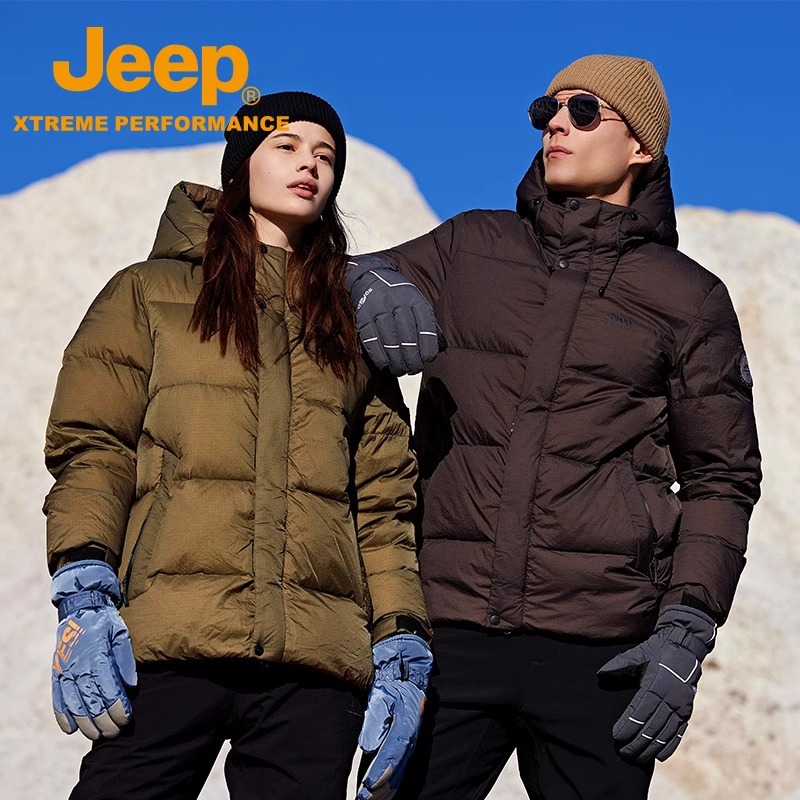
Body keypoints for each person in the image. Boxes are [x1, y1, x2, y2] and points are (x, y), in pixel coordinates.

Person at [346, 55, 761, 799]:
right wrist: (363, 280)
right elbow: (332, 279)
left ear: (642, 148)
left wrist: (687, 629)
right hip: (449, 631)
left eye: (584, 111)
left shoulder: (689, 298)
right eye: (547, 111)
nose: (556, 126)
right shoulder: (469, 246)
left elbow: (722, 478)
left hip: (601, 649)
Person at [43, 91, 433, 800]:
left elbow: (384, 506)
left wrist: (401, 639)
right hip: (170, 642)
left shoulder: (350, 326)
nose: (309, 165)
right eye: (286, 146)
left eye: (326, 156)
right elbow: (95, 447)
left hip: (314, 667)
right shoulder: (147, 294)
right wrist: (83, 583)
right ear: (240, 164)